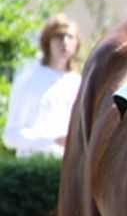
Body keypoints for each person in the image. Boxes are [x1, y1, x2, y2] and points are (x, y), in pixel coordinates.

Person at [3, 14, 82, 157]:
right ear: (47, 41)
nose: (65, 43)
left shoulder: (78, 83)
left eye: (70, 37)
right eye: (59, 37)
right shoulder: (29, 79)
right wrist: (51, 140)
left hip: (68, 167)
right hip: (34, 167)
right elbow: (11, 135)